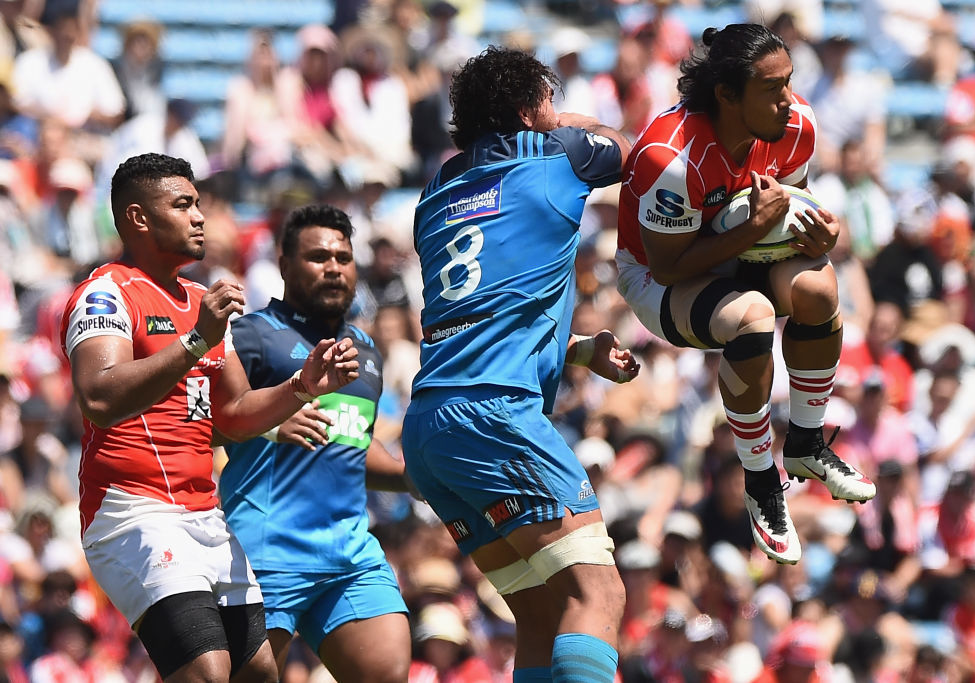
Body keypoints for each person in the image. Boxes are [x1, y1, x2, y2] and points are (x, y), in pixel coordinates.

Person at [58, 153, 360, 682]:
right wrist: (196, 338)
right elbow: (99, 398)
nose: (200, 216)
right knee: (207, 671)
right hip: (132, 511)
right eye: (183, 204)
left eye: (198, 203)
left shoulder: (199, 299)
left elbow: (236, 415)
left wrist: (301, 386)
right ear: (138, 219)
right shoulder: (106, 292)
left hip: (204, 513)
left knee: (259, 673)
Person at [401, 46, 639, 682]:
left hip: (431, 428)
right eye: (549, 101)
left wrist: (575, 350)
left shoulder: (435, 192)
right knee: (599, 596)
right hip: (496, 414)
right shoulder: (553, 157)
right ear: (531, 110)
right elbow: (632, 151)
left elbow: (483, 313)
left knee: (541, 612)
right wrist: (565, 123)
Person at [615, 23, 876, 566]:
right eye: (771, 88)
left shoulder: (797, 125)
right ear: (726, 95)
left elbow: (791, 207)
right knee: (752, 315)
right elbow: (667, 266)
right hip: (658, 277)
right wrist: (750, 231)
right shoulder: (670, 157)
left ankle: (806, 445)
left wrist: (823, 237)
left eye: (789, 83)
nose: (788, 100)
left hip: (737, 249)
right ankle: (760, 480)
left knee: (820, 285)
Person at [220, 203, 411, 682]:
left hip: (347, 552)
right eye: (318, 257)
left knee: (386, 671)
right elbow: (199, 419)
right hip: (265, 548)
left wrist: (416, 477)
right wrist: (269, 421)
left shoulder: (364, 352)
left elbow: (350, 444)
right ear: (284, 265)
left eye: (343, 259)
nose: (333, 268)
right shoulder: (251, 337)